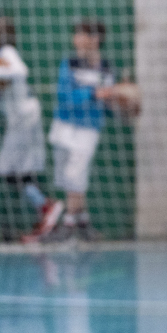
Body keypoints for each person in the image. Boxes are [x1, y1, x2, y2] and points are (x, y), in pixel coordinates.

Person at [0, 16, 65, 242]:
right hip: (20, 119)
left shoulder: (7, 52)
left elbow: (20, 71)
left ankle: (47, 206)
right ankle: (45, 209)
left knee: (8, 169)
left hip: (24, 117)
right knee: (15, 171)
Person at [44, 18, 119, 242]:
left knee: (74, 175)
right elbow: (65, 96)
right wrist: (93, 94)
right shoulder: (70, 63)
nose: (76, 39)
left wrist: (119, 102)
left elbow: (110, 103)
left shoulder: (106, 68)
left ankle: (68, 224)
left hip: (88, 129)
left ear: (95, 39)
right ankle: (84, 222)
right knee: (67, 179)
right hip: (64, 125)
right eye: (75, 34)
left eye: (81, 34)